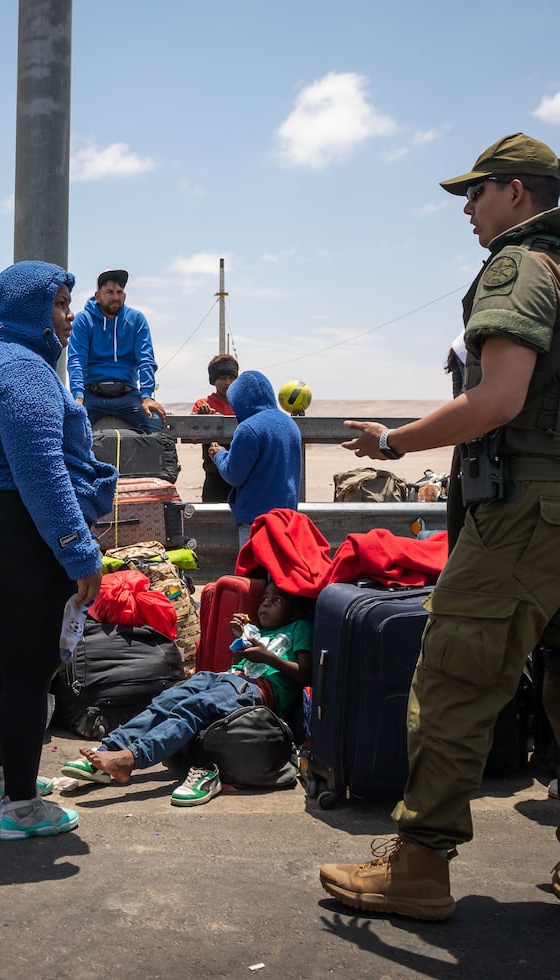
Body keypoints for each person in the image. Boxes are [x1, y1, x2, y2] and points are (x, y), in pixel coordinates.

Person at [318, 132, 560, 920]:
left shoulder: (521, 266)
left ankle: (420, 866)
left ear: (517, 194)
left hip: (526, 514)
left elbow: (496, 401)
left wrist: (392, 441)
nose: (467, 208)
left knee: (455, 678)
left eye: (478, 191)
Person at [0, 260, 117, 841]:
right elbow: (41, 470)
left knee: (7, 666)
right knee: (28, 673)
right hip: (20, 531)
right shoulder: (25, 370)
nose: (71, 317)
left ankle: (0, 778)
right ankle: (21, 809)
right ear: (28, 309)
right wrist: (79, 551)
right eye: (61, 305)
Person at [60, 581, 312, 805]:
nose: (265, 605)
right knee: (166, 700)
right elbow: (239, 663)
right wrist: (240, 641)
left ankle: (130, 759)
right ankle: (108, 751)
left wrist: (267, 657)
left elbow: (304, 673)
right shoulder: (256, 630)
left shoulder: (298, 627)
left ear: (294, 610)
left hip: (261, 688)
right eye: (265, 599)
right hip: (229, 678)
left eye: (276, 600)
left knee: (195, 707)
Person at [208, 370, 302, 550]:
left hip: (255, 521)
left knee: (253, 573)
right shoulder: (289, 424)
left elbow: (233, 473)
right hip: (287, 517)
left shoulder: (248, 429)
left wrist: (219, 455)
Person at [67, 268, 167, 433]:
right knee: (71, 425)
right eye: (110, 292)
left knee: (155, 422)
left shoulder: (136, 319)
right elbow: (76, 359)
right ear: (98, 296)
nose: (115, 297)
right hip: (92, 394)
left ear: (125, 296)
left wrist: (147, 395)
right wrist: (78, 396)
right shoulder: (84, 320)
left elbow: (146, 359)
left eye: (119, 292)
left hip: (127, 395)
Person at [192, 354, 239, 503]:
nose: (228, 382)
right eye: (222, 378)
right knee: (212, 519)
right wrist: (202, 419)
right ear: (213, 381)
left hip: (241, 472)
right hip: (214, 474)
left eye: (232, 377)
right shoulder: (203, 404)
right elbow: (192, 436)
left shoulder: (243, 404)